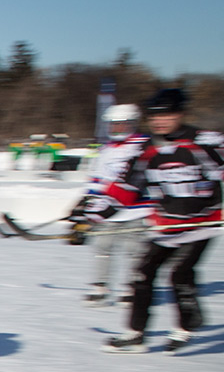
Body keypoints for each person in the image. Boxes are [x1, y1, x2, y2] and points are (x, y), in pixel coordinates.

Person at [76, 86, 222, 353]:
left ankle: (185, 326)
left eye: (166, 115)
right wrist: (91, 217)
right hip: (164, 224)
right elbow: (126, 190)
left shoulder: (205, 143)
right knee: (141, 275)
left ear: (181, 114)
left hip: (201, 224)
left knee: (179, 273)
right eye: (155, 116)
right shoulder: (145, 150)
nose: (160, 121)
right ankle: (135, 334)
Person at [72, 104, 146, 305]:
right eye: (113, 125)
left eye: (122, 124)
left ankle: (132, 288)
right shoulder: (105, 150)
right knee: (102, 247)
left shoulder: (143, 146)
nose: (117, 128)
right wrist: (83, 205)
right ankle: (99, 286)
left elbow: (136, 181)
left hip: (136, 210)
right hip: (107, 210)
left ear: (132, 124)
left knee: (135, 250)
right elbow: (96, 181)